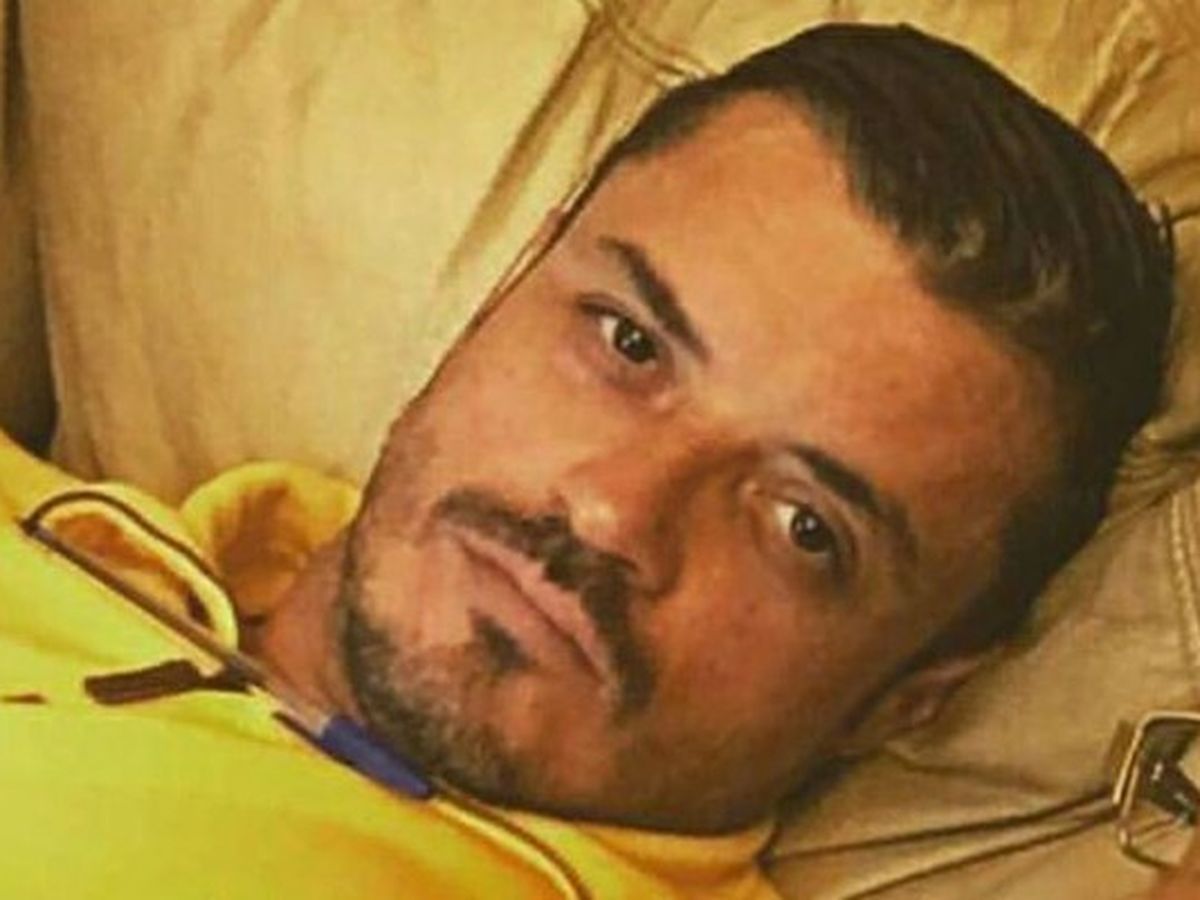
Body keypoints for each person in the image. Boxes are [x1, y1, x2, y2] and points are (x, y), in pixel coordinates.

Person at [0, 22, 1174, 899]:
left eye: (804, 526)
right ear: (514, 284)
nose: (614, 509)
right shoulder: (83, 534)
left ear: (906, 697)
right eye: (629, 343)